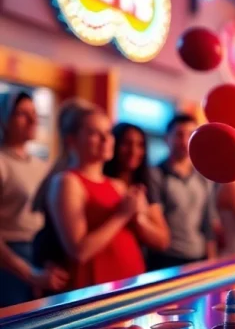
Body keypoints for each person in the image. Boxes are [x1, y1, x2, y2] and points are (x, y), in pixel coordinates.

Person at [43, 105, 147, 290]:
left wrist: (139, 213)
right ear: (72, 141)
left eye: (108, 132)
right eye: (94, 133)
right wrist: (122, 215)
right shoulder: (67, 182)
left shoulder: (117, 184)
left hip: (130, 282)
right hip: (97, 287)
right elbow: (79, 251)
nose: (106, 139)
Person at [0, 91, 66, 306]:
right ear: (4, 119)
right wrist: (29, 273)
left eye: (34, 113)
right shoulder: (2, 163)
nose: (32, 120)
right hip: (10, 261)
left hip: (40, 256)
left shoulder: (42, 165)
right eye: (22, 113)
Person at [148, 114, 218, 270]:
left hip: (198, 257)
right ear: (167, 138)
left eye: (190, 135)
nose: (185, 141)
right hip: (166, 259)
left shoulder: (204, 176)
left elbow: (207, 222)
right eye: (179, 135)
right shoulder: (156, 174)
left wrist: (211, 258)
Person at [103, 123, 170, 254]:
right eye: (126, 144)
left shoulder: (144, 186)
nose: (133, 151)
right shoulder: (100, 181)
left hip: (135, 263)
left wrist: (138, 218)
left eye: (140, 145)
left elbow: (163, 240)